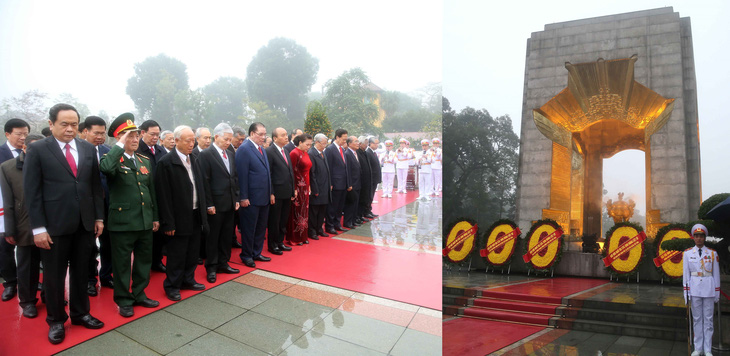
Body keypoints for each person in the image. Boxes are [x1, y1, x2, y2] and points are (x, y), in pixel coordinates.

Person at [24, 103, 105, 344]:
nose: (70, 129)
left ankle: (81, 314)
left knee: (82, 272)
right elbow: (32, 192)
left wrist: (98, 217)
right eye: (64, 124)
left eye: (74, 124)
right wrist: (38, 229)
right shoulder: (38, 150)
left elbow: (94, 186)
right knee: (54, 276)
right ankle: (56, 320)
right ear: (51, 124)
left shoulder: (88, 149)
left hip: (84, 224)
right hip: (53, 227)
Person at [99, 114, 160, 317]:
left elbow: (151, 192)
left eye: (136, 136)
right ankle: (124, 299)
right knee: (122, 264)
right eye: (129, 137)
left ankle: (140, 294)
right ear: (120, 139)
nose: (134, 140)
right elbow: (107, 169)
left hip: (144, 221)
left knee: (143, 261)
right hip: (122, 224)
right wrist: (119, 144)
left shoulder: (144, 160)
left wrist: (155, 217)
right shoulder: (112, 159)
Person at [155, 125, 208, 301]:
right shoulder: (166, 163)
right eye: (187, 141)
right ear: (176, 141)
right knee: (177, 254)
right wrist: (167, 222)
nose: (191, 144)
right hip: (177, 217)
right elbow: (163, 195)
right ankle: (172, 285)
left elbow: (200, 186)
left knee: (193, 251)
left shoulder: (194, 159)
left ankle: (188, 279)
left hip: (195, 214)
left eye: (193, 140)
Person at [0, 134, 44, 318]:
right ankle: (27, 301)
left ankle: (51, 296)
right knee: (27, 266)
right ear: (24, 148)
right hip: (24, 225)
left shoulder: (50, 165)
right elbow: (7, 202)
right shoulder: (8, 168)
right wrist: (9, 229)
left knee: (52, 266)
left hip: (52, 224)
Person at [198, 123, 240, 284]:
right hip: (215, 204)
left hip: (229, 202)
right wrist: (209, 204)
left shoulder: (230, 153)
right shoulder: (206, 155)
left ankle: (224, 262)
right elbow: (204, 182)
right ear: (216, 137)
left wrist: (236, 198)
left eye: (230, 139)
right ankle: (211, 267)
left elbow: (234, 177)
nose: (228, 142)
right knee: (213, 237)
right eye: (225, 139)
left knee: (226, 235)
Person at [82, 116, 113, 296]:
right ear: (86, 131)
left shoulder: (107, 151)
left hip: (107, 206)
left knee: (107, 244)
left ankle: (107, 275)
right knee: (88, 246)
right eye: (97, 133)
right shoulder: (78, 150)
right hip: (86, 207)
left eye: (103, 133)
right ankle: (89, 280)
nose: (100, 136)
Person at [236, 122, 273, 268]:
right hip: (251, 198)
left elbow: (266, 173)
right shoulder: (244, 149)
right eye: (261, 134)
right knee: (249, 228)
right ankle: (246, 255)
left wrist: (270, 193)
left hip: (263, 196)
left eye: (265, 134)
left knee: (260, 227)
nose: (264, 137)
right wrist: (243, 197)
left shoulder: (261, 149)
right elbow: (242, 175)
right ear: (252, 134)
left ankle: (256, 252)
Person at [0, 118, 30, 302]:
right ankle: (10, 282)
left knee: (27, 249)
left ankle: (28, 281)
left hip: (26, 210)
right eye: (19, 134)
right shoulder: (2, 154)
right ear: (7, 134)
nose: (23, 137)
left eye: (25, 134)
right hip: (4, 206)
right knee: (5, 246)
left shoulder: (31, 153)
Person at [684, 224, 720, 356]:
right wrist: (685, 293)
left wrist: (717, 292)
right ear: (693, 238)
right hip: (694, 290)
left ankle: (708, 349)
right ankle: (698, 348)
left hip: (709, 289)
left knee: (708, 320)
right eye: (696, 236)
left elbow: (716, 274)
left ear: (704, 238)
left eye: (701, 236)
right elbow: (686, 275)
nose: (699, 238)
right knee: (697, 320)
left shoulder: (712, 253)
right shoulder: (687, 254)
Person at [137, 120, 168, 274]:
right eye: (152, 134)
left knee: (159, 234)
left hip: (160, 198)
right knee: (144, 236)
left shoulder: (161, 151)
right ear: (143, 133)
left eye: (157, 134)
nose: (155, 137)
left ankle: (157, 261)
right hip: (144, 198)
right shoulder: (137, 150)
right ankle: (143, 265)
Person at [266, 128, 295, 253]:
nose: (286, 137)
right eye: (282, 135)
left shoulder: (286, 151)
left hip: (287, 191)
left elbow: (290, 172)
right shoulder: (269, 151)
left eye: (285, 135)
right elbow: (269, 174)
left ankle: (280, 241)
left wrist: (293, 189)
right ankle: (273, 245)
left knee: (283, 219)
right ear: (275, 138)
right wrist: (271, 192)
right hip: (276, 192)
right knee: (274, 220)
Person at [286, 134, 313, 245]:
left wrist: (309, 185)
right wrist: (294, 188)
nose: (308, 147)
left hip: (305, 187)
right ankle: (294, 237)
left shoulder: (305, 153)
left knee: (304, 211)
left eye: (310, 145)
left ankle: (303, 236)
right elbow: (291, 172)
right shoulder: (294, 153)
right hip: (297, 187)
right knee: (296, 212)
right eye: (307, 144)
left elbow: (308, 171)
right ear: (300, 142)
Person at [325, 129, 351, 234]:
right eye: (343, 139)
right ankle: (329, 225)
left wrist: (348, 183)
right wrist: (330, 183)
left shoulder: (342, 150)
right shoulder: (330, 150)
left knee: (340, 206)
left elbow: (345, 167)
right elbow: (329, 168)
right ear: (337, 137)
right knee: (333, 206)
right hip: (335, 183)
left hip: (343, 183)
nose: (345, 142)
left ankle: (337, 224)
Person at [308, 133, 331, 239]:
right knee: (314, 211)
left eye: (326, 143)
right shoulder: (311, 153)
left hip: (325, 187)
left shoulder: (323, 153)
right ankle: (312, 231)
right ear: (316, 142)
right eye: (323, 143)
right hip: (317, 187)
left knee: (322, 210)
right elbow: (312, 173)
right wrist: (314, 189)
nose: (325, 145)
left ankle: (319, 229)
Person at [343, 136, 362, 229]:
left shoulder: (355, 153)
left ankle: (353, 220)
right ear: (349, 143)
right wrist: (349, 184)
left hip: (357, 183)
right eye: (356, 141)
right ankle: (348, 221)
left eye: (358, 141)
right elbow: (348, 170)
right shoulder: (347, 154)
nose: (358, 143)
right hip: (352, 184)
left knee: (355, 203)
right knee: (350, 203)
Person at [356, 136, 372, 224]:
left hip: (367, 181)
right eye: (365, 143)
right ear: (360, 144)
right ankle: (357, 216)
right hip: (361, 180)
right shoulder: (357, 153)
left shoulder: (364, 153)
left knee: (365, 199)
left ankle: (361, 215)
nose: (367, 145)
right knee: (360, 199)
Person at [365, 136, 381, 218]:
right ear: (370, 144)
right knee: (369, 195)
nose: (377, 145)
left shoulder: (373, 152)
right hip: (371, 179)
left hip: (374, 178)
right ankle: (366, 211)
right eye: (376, 143)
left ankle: (369, 210)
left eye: (378, 143)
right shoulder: (368, 152)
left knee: (371, 195)